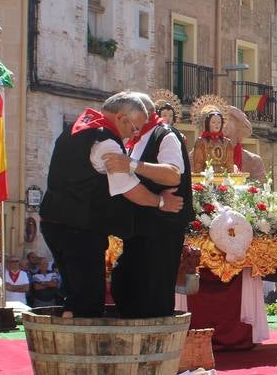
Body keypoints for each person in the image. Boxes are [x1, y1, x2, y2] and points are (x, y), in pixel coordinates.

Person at [37, 93, 184, 318]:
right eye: (135, 128)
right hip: (80, 228)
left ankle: (69, 331)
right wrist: (161, 201)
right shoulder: (106, 142)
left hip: (54, 221)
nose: (134, 134)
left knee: (73, 294)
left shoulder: (77, 127)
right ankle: (82, 349)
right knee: (88, 301)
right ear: (122, 118)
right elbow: (130, 189)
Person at [106, 93, 193, 320]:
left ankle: (155, 343)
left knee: (153, 291)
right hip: (140, 228)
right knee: (124, 283)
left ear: (143, 115)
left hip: (161, 229)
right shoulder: (137, 139)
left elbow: (174, 175)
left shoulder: (165, 135)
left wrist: (132, 164)